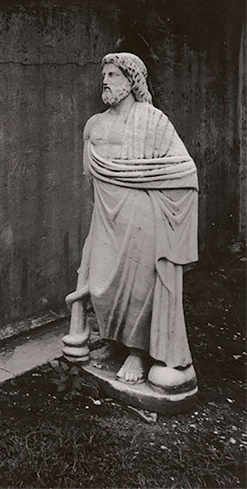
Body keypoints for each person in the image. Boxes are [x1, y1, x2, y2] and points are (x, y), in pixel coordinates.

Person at [77, 52, 198, 386]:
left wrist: (140, 178)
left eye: (113, 75)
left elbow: (185, 169)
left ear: (132, 81)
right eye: (105, 74)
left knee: (141, 285)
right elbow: (91, 180)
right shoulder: (94, 125)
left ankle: (139, 352)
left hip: (143, 214)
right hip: (107, 215)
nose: (106, 80)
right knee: (102, 285)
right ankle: (115, 342)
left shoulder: (154, 121)